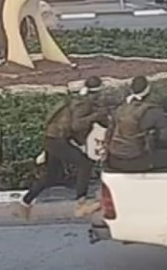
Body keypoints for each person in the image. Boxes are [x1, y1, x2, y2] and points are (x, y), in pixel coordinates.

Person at [14, 76, 109, 220]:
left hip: (51, 138)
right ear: (98, 92)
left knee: (52, 176)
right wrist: (95, 116)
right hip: (57, 140)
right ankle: (81, 204)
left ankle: (24, 203)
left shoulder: (76, 100)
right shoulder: (84, 103)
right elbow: (77, 125)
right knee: (85, 163)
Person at [104, 76, 167, 172]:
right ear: (148, 90)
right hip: (139, 161)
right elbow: (163, 138)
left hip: (114, 160)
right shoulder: (154, 110)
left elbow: (110, 131)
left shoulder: (119, 109)